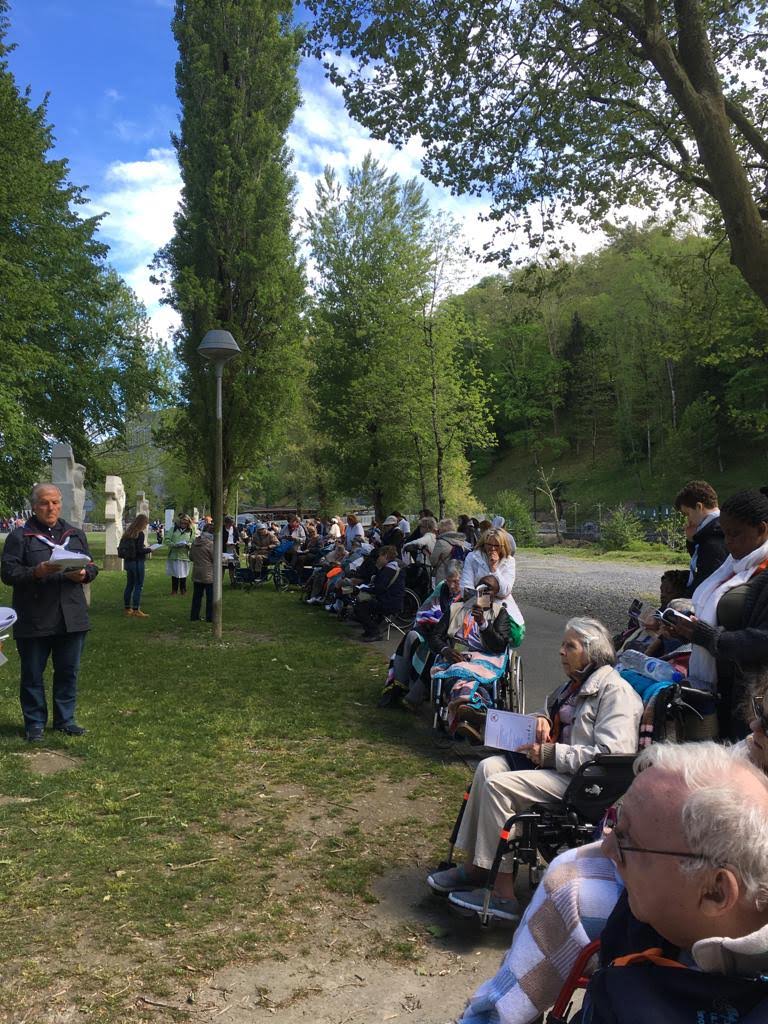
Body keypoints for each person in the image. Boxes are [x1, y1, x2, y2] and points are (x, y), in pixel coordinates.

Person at [457, 735, 768, 1024]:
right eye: (612, 826)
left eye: (624, 839)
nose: (605, 848)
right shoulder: (640, 912)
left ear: (714, 892)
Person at [428, 618, 642, 920]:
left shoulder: (615, 692)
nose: (561, 652)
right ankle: (477, 866)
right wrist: (540, 718)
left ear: (592, 652)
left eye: (570, 646)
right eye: (563, 645)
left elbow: (611, 756)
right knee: (488, 768)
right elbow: (551, 715)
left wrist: (552, 753)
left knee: (499, 786)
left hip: (584, 784)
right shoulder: (573, 687)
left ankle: (503, 892)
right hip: (559, 771)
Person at [0, 483, 99, 741]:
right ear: (34, 506)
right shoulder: (20, 537)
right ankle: (35, 724)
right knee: (33, 674)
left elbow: (91, 566)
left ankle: (65, 720)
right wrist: (36, 571)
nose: (50, 508)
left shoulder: (74, 534)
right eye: (44, 503)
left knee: (68, 671)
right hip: (35, 616)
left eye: (55, 502)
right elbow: (8, 574)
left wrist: (84, 574)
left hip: (71, 616)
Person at [668, 487, 768, 740]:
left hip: (753, 696)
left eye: (736, 534)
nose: (729, 542)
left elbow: (762, 640)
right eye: (725, 534)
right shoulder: (733, 564)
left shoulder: (761, 571)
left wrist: (709, 637)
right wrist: (686, 630)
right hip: (723, 686)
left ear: (762, 529)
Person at [427, 574, 525, 739]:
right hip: (458, 656)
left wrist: (483, 624)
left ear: (495, 594)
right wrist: (446, 650)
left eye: (489, 588)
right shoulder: (456, 609)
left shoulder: (499, 614)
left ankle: (469, 712)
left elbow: (499, 646)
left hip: (486, 658)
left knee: (471, 679)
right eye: (481, 586)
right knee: (457, 675)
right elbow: (435, 636)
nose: (484, 591)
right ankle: (474, 711)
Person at [379, 560, 464, 709]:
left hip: (451, 637)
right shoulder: (442, 588)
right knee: (411, 636)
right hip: (432, 630)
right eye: (449, 581)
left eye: (456, 582)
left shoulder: (467, 595)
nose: (451, 586)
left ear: (463, 579)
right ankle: (398, 685)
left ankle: (414, 696)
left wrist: (440, 625)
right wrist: (432, 621)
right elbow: (427, 608)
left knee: (436, 650)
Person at [674, 479, 728, 595]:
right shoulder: (716, 528)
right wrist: (692, 540)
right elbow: (702, 561)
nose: (688, 520)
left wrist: (683, 599)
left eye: (687, 514)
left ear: (699, 507)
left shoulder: (714, 539)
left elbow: (706, 582)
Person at [352, 545, 406, 641]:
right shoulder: (394, 568)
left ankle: (374, 632)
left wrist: (363, 589)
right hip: (394, 601)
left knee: (360, 607)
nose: (378, 559)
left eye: (380, 556)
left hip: (388, 602)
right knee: (363, 604)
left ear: (385, 556)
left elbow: (379, 589)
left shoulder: (388, 570)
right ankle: (370, 630)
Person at [461, 528, 516, 597]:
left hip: (500, 602)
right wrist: (479, 599)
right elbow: (466, 585)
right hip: (475, 600)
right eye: (489, 545)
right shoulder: (472, 557)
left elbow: (506, 591)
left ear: (503, 546)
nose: (493, 548)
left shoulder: (509, 561)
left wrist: (494, 568)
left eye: (497, 545)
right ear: (484, 544)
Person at [119, 514, 152, 618]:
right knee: (138, 586)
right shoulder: (139, 534)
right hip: (137, 562)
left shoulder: (128, 533)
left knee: (129, 585)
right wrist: (150, 549)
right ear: (142, 523)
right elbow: (139, 550)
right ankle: (136, 609)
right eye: (146, 523)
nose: (146, 526)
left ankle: (127, 607)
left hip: (128, 562)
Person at [189, 524, 214, 622]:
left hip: (197, 572)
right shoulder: (210, 544)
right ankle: (210, 617)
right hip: (208, 573)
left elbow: (191, 557)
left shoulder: (195, 542)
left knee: (197, 596)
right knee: (210, 597)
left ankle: (194, 616)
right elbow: (215, 558)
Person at [166, 514, 195, 595]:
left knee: (183, 573)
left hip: (185, 555)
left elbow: (193, 541)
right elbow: (167, 540)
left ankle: (183, 590)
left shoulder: (191, 531)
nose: (183, 525)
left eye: (185, 523)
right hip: (174, 554)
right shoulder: (173, 529)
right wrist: (174, 545)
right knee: (175, 573)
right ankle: (174, 590)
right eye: (182, 523)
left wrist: (188, 545)